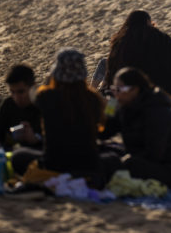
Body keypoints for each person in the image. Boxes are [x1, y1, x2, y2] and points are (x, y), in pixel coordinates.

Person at [11, 48, 118, 188]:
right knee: (114, 159)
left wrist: (50, 76)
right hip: (87, 165)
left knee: (18, 156)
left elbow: (34, 93)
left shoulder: (46, 96)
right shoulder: (93, 99)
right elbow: (107, 131)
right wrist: (113, 102)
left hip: (55, 165)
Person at [100, 67, 171, 188]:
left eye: (120, 89)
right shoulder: (127, 107)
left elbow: (154, 153)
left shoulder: (156, 110)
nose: (116, 94)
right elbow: (104, 132)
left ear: (135, 90)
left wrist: (123, 160)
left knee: (123, 163)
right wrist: (110, 107)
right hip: (143, 159)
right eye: (114, 89)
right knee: (103, 150)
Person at [103, 10, 171, 105]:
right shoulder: (159, 36)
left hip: (124, 91)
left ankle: (109, 112)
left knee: (112, 104)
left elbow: (110, 71)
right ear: (148, 22)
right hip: (159, 91)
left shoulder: (118, 41)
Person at [0, 65, 41, 150]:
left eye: (21, 92)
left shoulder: (44, 105)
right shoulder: (8, 103)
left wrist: (35, 139)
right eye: (12, 92)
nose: (16, 97)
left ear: (33, 87)